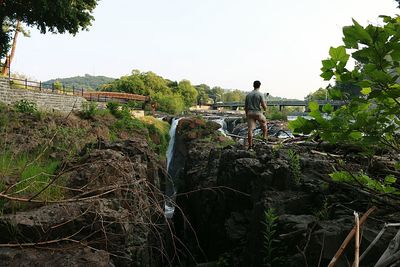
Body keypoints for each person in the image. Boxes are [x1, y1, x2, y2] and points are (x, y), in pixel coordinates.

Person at [244, 80, 268, 150]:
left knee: (250, 129)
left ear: (253, 85)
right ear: (259, 86)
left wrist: (247, 115)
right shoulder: (260, 94)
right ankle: (264, 139)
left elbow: (245, 107)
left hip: (249, 113)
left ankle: (250, 146)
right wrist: (265, 106)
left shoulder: (248, 95)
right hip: (258, 113)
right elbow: (264, 107)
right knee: (264, 124)